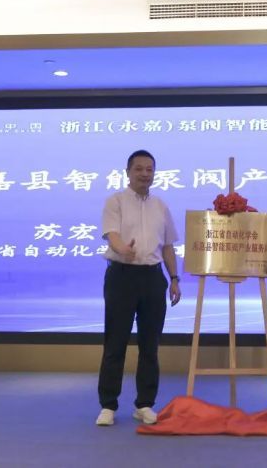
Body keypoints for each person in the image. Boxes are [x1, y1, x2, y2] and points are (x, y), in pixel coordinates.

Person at [95, 149, 182, 427]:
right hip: (122, 277)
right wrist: (123, 249)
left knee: (150, 345)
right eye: (139, 169)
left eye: (149, 169)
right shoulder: (115, 201)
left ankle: (144, 404)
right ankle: (108, 405)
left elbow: (168, 246)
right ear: (128, 172)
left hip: (153, 278)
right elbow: (111, 235)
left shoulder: (161, 206)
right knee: (115, 343)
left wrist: (174, 278)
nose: (145, 174)